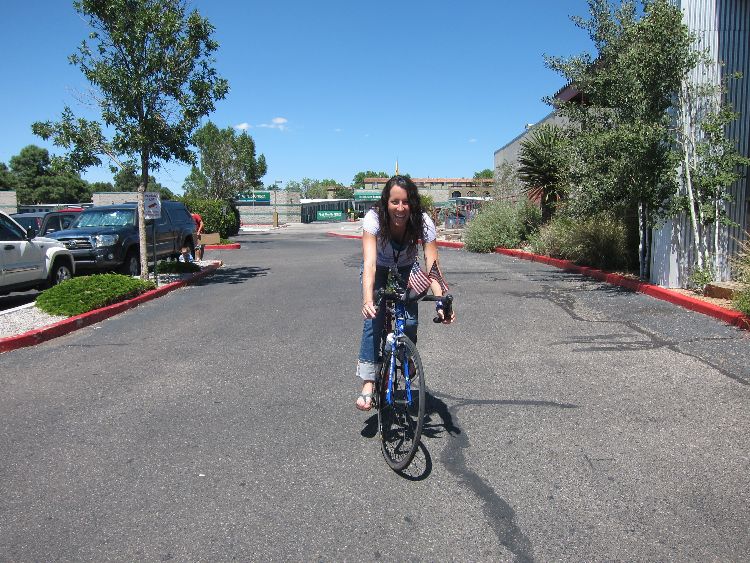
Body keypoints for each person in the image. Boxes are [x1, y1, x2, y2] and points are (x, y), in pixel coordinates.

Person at [356, 175, 455, 411]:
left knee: (409, 321)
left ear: (413, 203)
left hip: (407, 268)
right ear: (386, 202)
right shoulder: (373, 218)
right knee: (374, 318)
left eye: (406, 202)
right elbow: (369, 263)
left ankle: (406, 356)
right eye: (395, 202)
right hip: (379, 268)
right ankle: (369, 381)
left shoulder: (423, 221)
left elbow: (432, 266)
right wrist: (368, 300)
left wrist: (441, 301)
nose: (400, 208)